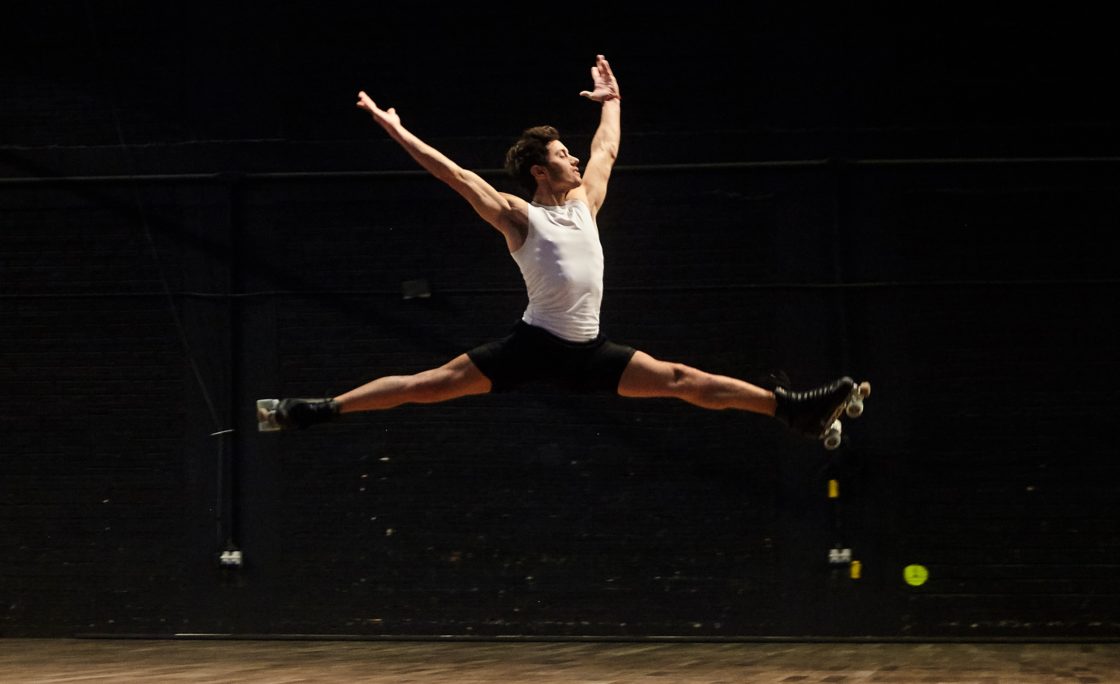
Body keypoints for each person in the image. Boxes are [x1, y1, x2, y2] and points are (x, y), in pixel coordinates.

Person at [259, 55, 858, 440]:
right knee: (427, 385)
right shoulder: (519, 217)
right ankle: (319, 409)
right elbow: (451, 174)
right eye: (561, 153)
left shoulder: (584, 205)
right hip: (533, 345)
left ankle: (793, 409)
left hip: (586, 352)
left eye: (569, 151)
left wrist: (614, 102)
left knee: (680, 378)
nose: (572, 156)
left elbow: (607, 152)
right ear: (540, 172)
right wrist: (395, 129)